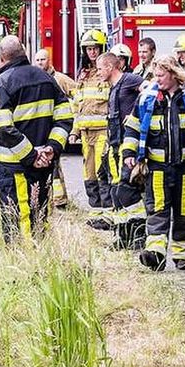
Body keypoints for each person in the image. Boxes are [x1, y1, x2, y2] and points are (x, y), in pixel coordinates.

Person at [120, 55, 185, 271]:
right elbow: (133, 126)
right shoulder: (147, 98)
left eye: (161, 75)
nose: (157, 80)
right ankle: (156, 255)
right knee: (157, 211)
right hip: (157, 167)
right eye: (155, 75)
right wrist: (129, 152)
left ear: (173, 73)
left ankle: (183, 257)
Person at [0, 36, 74, 243]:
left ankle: (26, 267)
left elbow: (4, 127)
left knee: (18, 219)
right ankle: (41, 257)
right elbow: (65, 118)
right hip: (43, 164)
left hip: (14, 166)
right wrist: (51, 148)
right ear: (24, 52)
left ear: (2, 56)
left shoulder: (1, 83)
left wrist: (30, 155)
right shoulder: (47, 79)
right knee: (40, 216)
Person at [96, 51, 146, 249]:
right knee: (116, 192)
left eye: (100, 68)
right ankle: (123, 236)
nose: (98, 72)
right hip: (115, 146)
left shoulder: (129, 80)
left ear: (110, 67)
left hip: (129, 145)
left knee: (126, 190)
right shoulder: (114, 88)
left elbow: (150, 91)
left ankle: (140, 234)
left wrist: (136, 112)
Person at [73, 29, 113, 223]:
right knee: (88, 172)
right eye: (88, 49)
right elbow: (77, 106)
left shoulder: (105, 74)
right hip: (85, 133)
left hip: (102, 132)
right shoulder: (83, 75)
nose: (92, 52)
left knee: (101, 170)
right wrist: (74, 131)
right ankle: (96, 211)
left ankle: (107, 213)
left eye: (95, 48)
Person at [33, 48, 78, 207]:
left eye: (42, 60)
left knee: (54, 164)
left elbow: (78, 93)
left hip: (56, 128)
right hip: (42, 128)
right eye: (37, 60)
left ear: (49, 60)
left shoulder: (59, 79)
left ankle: (60, 200)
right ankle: (53, 199)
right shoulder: (35, 78)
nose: (40, 63)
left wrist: (72, 112)